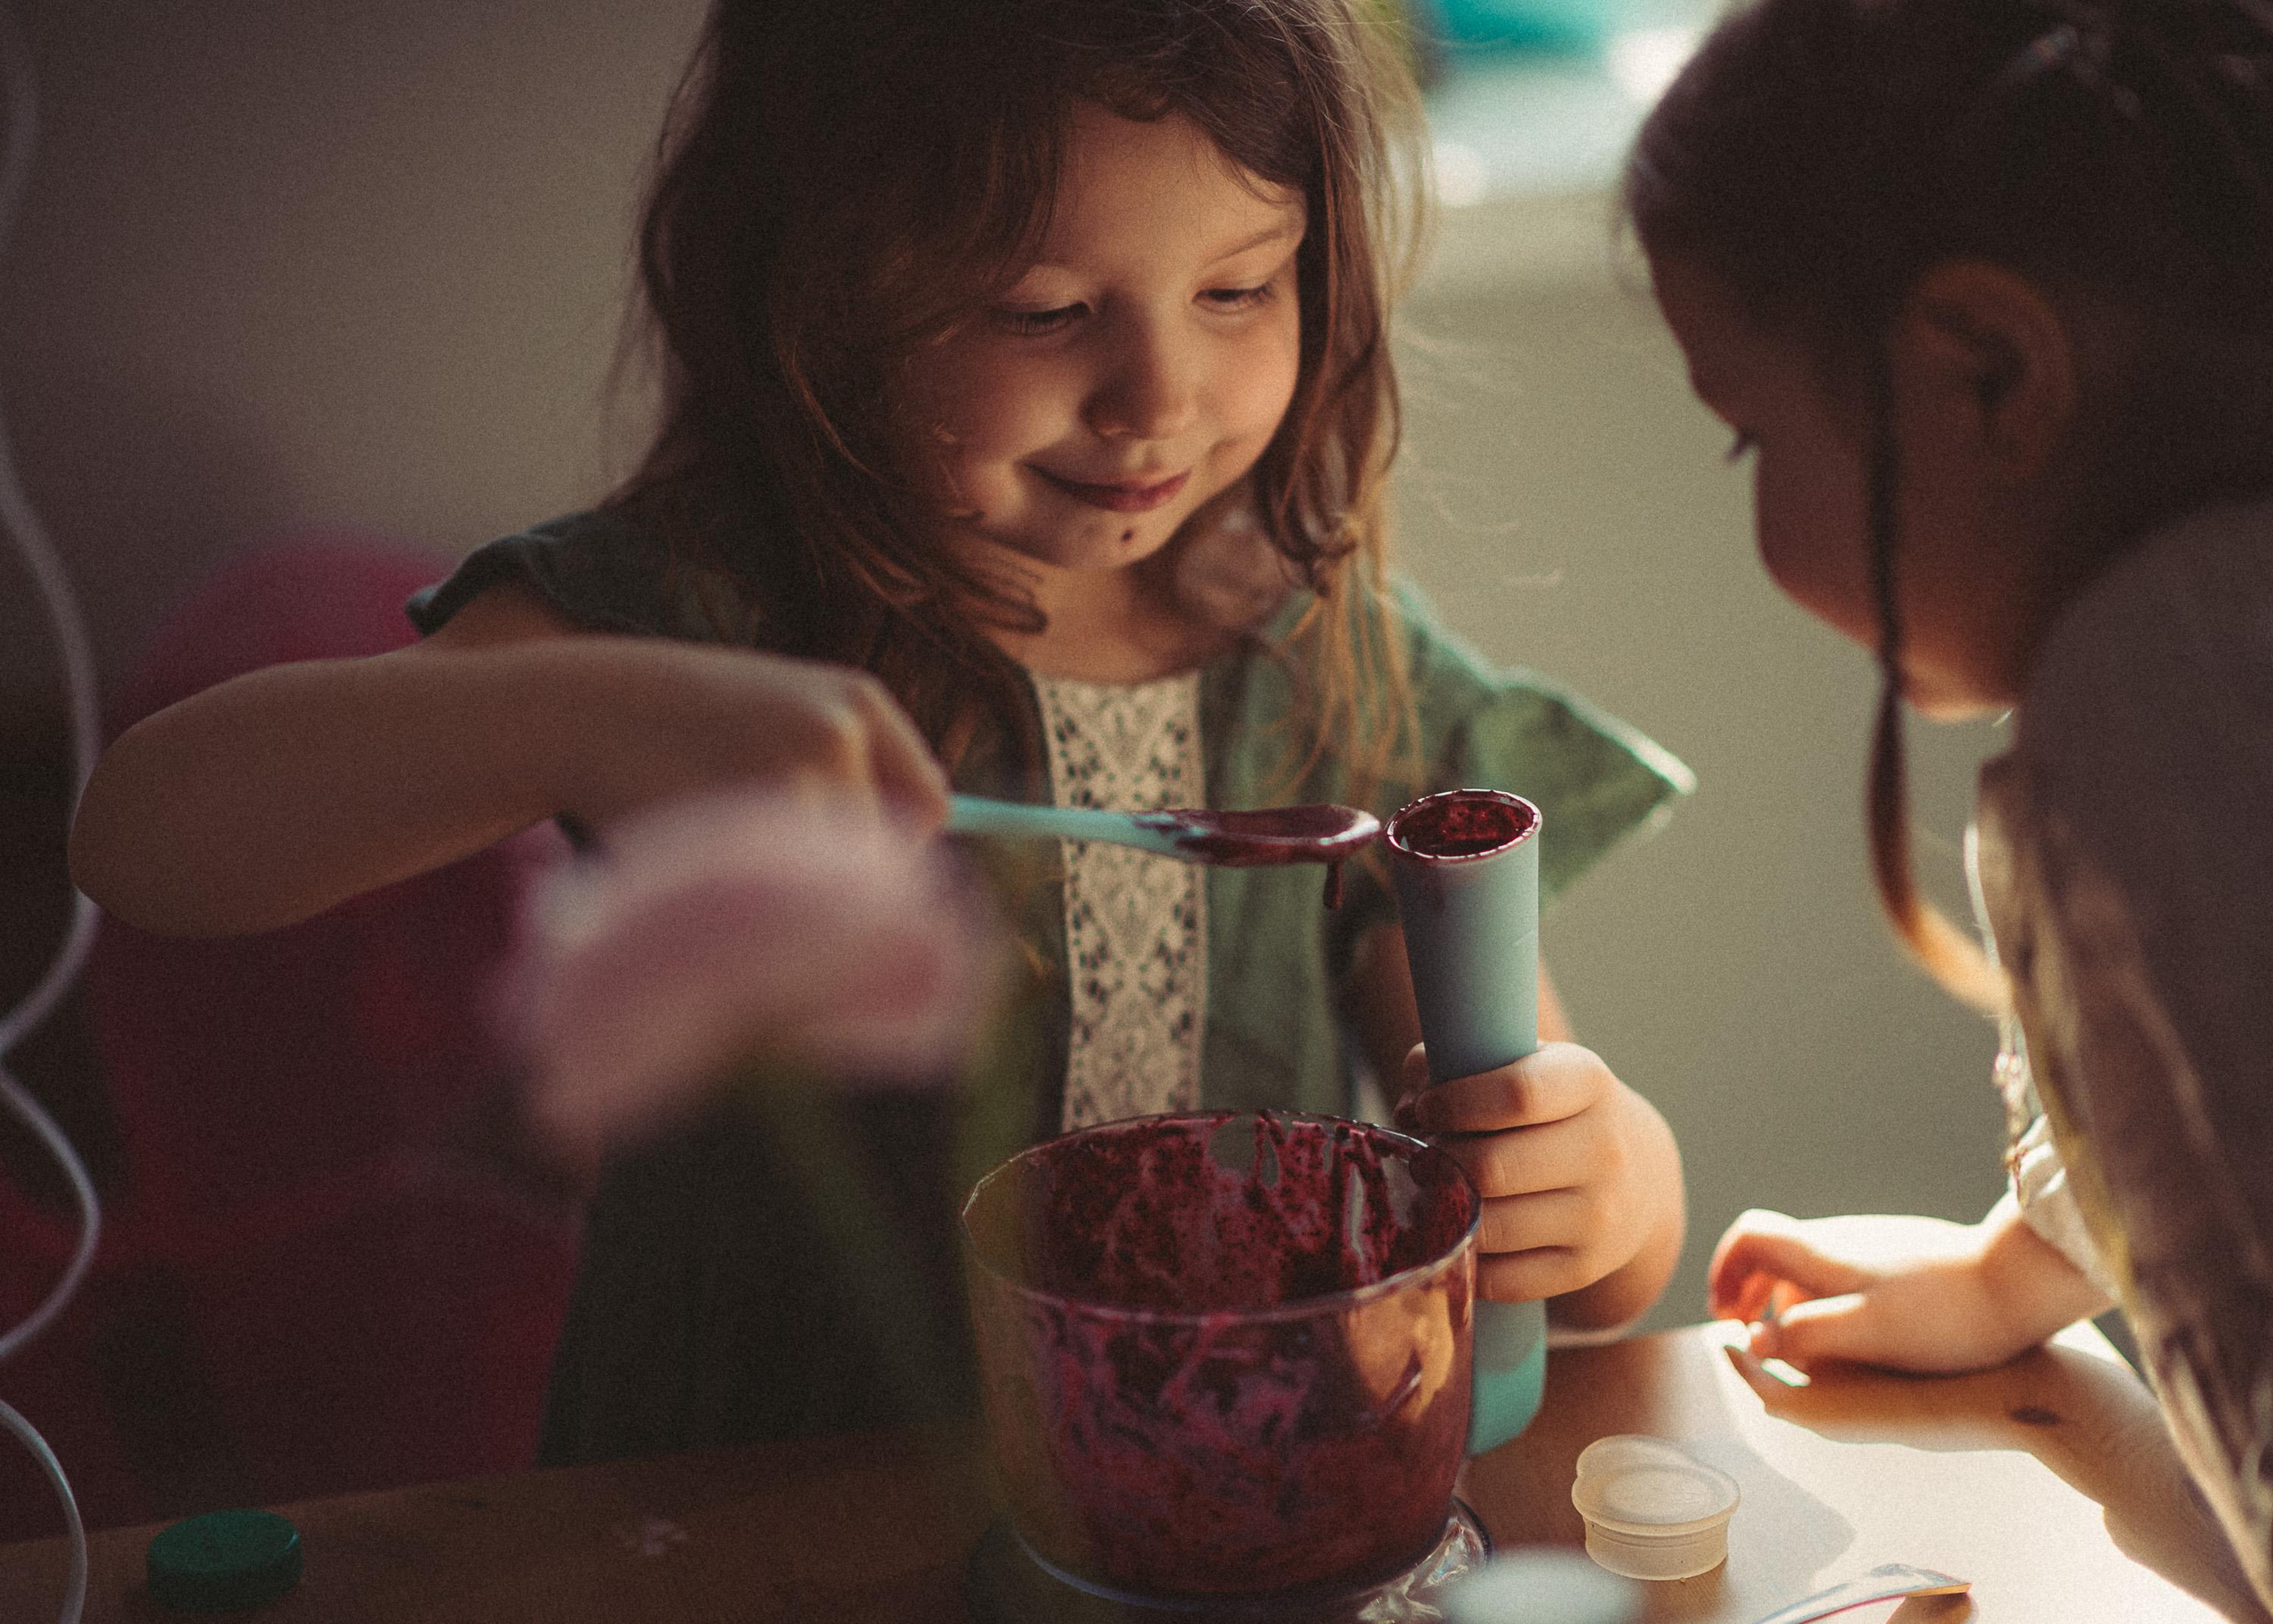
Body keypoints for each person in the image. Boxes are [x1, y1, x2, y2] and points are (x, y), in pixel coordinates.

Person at [70, 0, 1691, 1465]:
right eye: (1049, 309)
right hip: (747, 1521)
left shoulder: (1335, 675)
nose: (1158, 392)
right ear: (821, 288)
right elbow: (143, 840)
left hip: (1216, 1512)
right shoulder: (699, 614)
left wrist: (1604, 1182)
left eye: (1238, 287)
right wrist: (594, 711)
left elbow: (1570, 1211)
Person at [1627, 0, 2273, 1605]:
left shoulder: (2157, 705)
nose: (1756, 514)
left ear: (1988, 374)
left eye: (1746, 440)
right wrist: (2021, 1268)